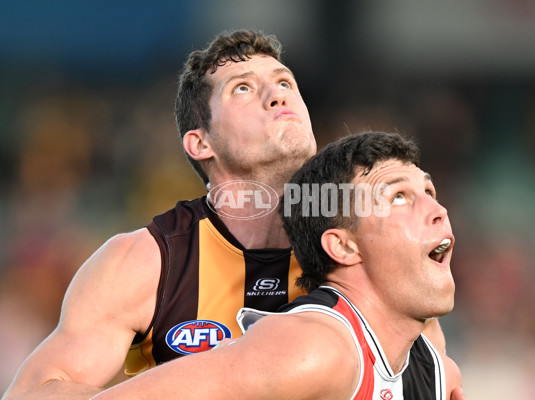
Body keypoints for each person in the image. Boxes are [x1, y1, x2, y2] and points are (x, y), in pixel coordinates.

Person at [2, 31, 460, 400]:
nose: (277, 96)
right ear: (200, 142)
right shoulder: (146, 261)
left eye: (285, 83)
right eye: (244, 88)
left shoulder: (373, 256)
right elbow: (30, 393)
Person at [91, 131, 464, 400]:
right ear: (344, 246)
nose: (438, 210)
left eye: (428, 192)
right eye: (399, 197)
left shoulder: (437, 373)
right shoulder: (312, 349)